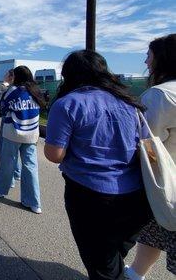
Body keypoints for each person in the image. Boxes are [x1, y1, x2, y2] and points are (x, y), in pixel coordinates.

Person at [44, 50, 152, 280]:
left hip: (90, 196)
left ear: (68, 74)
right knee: (110, 256)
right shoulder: (128, 102)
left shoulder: (66, 104)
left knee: (103, 267)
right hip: (137, 196)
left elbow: (54, 154)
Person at [126, 34, 176, 280]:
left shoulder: (159, 95)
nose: (146, 62)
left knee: (161, 223)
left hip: (169, 184)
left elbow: (148, 147)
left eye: (149, 56)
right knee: (153, 230)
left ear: (162, 59)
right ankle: (136, 273)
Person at [0, 66, 44, 214]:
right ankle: (33, 202)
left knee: (8, 162)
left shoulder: (13, 90)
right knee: (30, 166)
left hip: (13, 132)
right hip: (32, 133)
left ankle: (0, 189)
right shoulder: (36, 91)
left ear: (16, 77)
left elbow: (2, 107)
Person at [0, 69, 21, 184]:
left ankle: (9, 178)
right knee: (14, 151)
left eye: (6, 74)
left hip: (7, 119)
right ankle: (16, 173)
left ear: (11, 76)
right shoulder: (21, 89)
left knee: (3, 150)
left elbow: (3, 106)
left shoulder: (8, 88)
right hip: (18, 121)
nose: (4, 75)